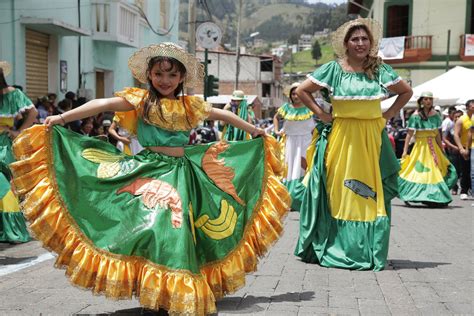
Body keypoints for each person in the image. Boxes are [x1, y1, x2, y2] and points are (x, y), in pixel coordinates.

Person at [10, 42, 290, 314]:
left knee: (179, 233)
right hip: (149, 169)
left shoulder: (189, 106)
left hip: (183, 174)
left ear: (181, 77)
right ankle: (159, 288)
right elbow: (101, 103)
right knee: (155, 230)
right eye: (158, 74)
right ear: (149, 75)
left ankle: (176, 290)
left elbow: (222, 115)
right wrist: (61, 118)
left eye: (172, 74)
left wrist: (255, 131)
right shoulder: (140, 101)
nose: (165, 80)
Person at [294, 18, 413, 271]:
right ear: (346, 44)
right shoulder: (333, 70)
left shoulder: (379, 69)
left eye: (364, 39)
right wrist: (322, 114)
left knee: (370, 194)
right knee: (339, 192)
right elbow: (303, 90)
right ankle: (337, 245)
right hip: (342, 136)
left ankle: (366, 250)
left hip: (371, 138)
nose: (360, 43)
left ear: (370, 43)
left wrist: (387, 115)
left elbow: (406, 92)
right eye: (355, 39)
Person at [0, 60, 37, 243]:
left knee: (5, 184)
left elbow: (33, 112)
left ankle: (10, 228)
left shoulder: (13, 94)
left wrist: (18, 131)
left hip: (3, 145)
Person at [398, 92, 457, 206]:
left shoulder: (435, 116)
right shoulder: (415, 116)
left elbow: (437, 135)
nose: (428, 101)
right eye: (425, 99)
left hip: (433, 148)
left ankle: (433, 197)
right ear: (421, 101)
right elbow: (409, 135)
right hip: (420, 148)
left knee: (435, 171)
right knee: (418, 171)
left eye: (430, 99)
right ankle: (412, 194)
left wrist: (441, 149)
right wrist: (405, 151)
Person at [273, 82, 315, 211]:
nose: (295, 96)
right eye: (293, 93)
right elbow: (276, 117)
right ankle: (289, 198)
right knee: (290, 168)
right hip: (290, 142)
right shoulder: (286, 107)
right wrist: (276, 130)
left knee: (306, 168)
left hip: (306, 141)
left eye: (297, 93)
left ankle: (304, 198)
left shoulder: (311, 107)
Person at [453, 99, 474, 200]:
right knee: (465, 169)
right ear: (467, 108)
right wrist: (460, 148)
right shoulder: (461, 119)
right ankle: (464, 190)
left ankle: (470, 188)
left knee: (472, 170)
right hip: (465, 146)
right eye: (472, 107)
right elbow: (456, 135)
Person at [442, 107, 462, 195]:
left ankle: (465, 188)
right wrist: (454, 147)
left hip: (464, 150)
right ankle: (454, 188)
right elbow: (444, 138)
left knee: (465, 170)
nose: (457, 118)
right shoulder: (450, 126)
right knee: (455, 170)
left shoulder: (465, 126)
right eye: (456, 117)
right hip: (453, 151)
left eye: (459, 117)